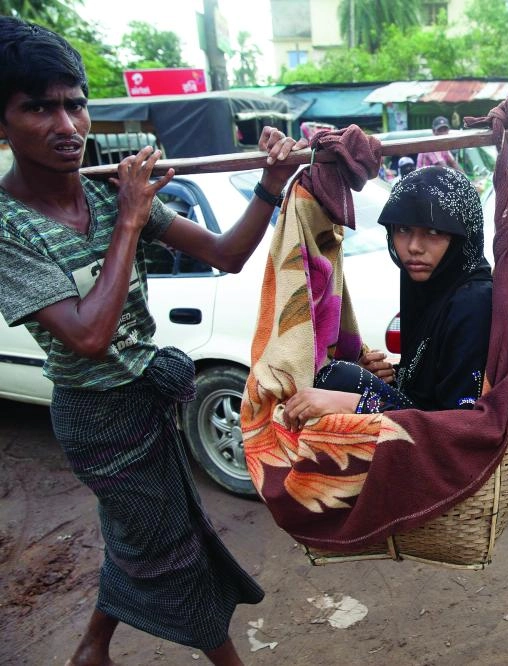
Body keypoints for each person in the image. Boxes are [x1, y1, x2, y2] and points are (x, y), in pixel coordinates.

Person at [0, 17, 307, 666]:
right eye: (38, 108)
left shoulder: (110, 196)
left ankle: (92, 650)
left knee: (137, 536)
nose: (68, 126)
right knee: (174, 551)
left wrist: (270, 187)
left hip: (143, 403)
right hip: (96, 417)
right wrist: (132, 221)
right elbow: (87, 335)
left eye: (75, 104)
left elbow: (226, 254)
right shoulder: (12, 228)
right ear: (2, 124)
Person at [282, 166, 492, 428]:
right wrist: (388, 377)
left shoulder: (473, 301)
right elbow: (426, 388)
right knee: (338, 377)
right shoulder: (429, 283)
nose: (414, 247)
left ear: (461, 237)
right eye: (403, 229)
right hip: (422, 420)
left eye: (434, 232)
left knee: (335, 380)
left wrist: (353, 403)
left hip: (446, 441)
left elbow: (461, 423)